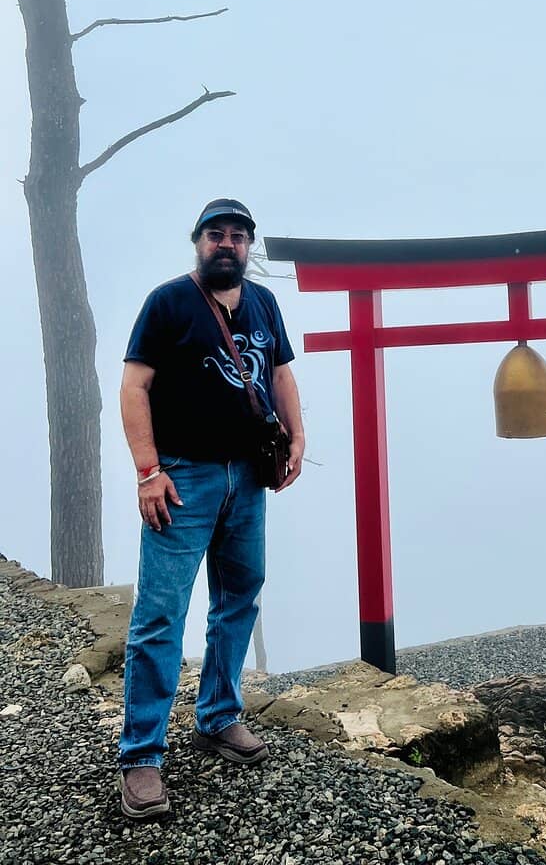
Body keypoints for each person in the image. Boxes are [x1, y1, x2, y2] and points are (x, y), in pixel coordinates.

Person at [117, 198, 305, 820]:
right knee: (160, 615)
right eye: (216, 234)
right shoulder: (168, 302)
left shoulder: (263, 304)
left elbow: (280, 373)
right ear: (197, 241)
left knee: (239, 599)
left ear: (249, 247)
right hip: (183, 478)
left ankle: (219, 716)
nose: (227, 244)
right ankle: (141, 756)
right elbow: (135, 385)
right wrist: (149, 472)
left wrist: (297, 438)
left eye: (238, 236)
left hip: (246, 478)